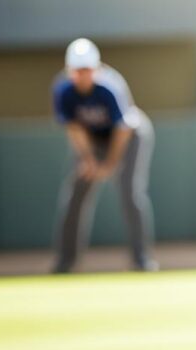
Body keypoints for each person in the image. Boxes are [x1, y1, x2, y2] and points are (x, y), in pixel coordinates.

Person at [50, 38, 157, 273]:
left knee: (130, 193)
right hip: (93, 141)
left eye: (87, 70)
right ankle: (65, 262)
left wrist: (109, 165)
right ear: (70, 71)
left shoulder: (111, 87)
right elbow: (75, 128)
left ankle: (141, 259)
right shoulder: (63, 89)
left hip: (130, 137)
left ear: (96, 69)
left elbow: (123, 130)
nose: (83, 75)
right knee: (74, 195)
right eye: (77, 71)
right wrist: (88, 160)